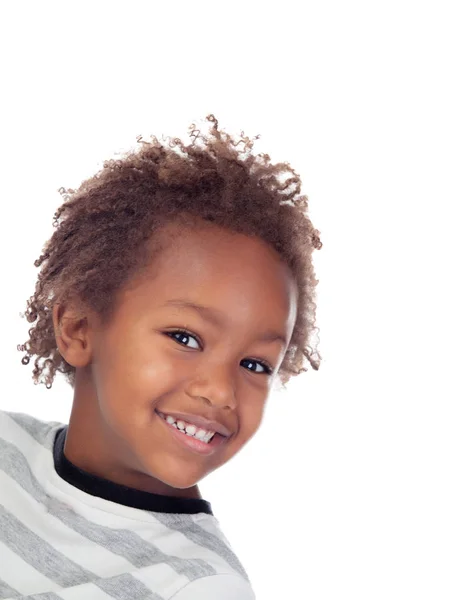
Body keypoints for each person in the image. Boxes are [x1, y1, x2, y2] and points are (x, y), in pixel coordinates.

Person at [1, 114, 322, 599]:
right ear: (79, 328)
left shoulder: (197, 587)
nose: (220, 391)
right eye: (185, 338)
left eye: (255, 365)